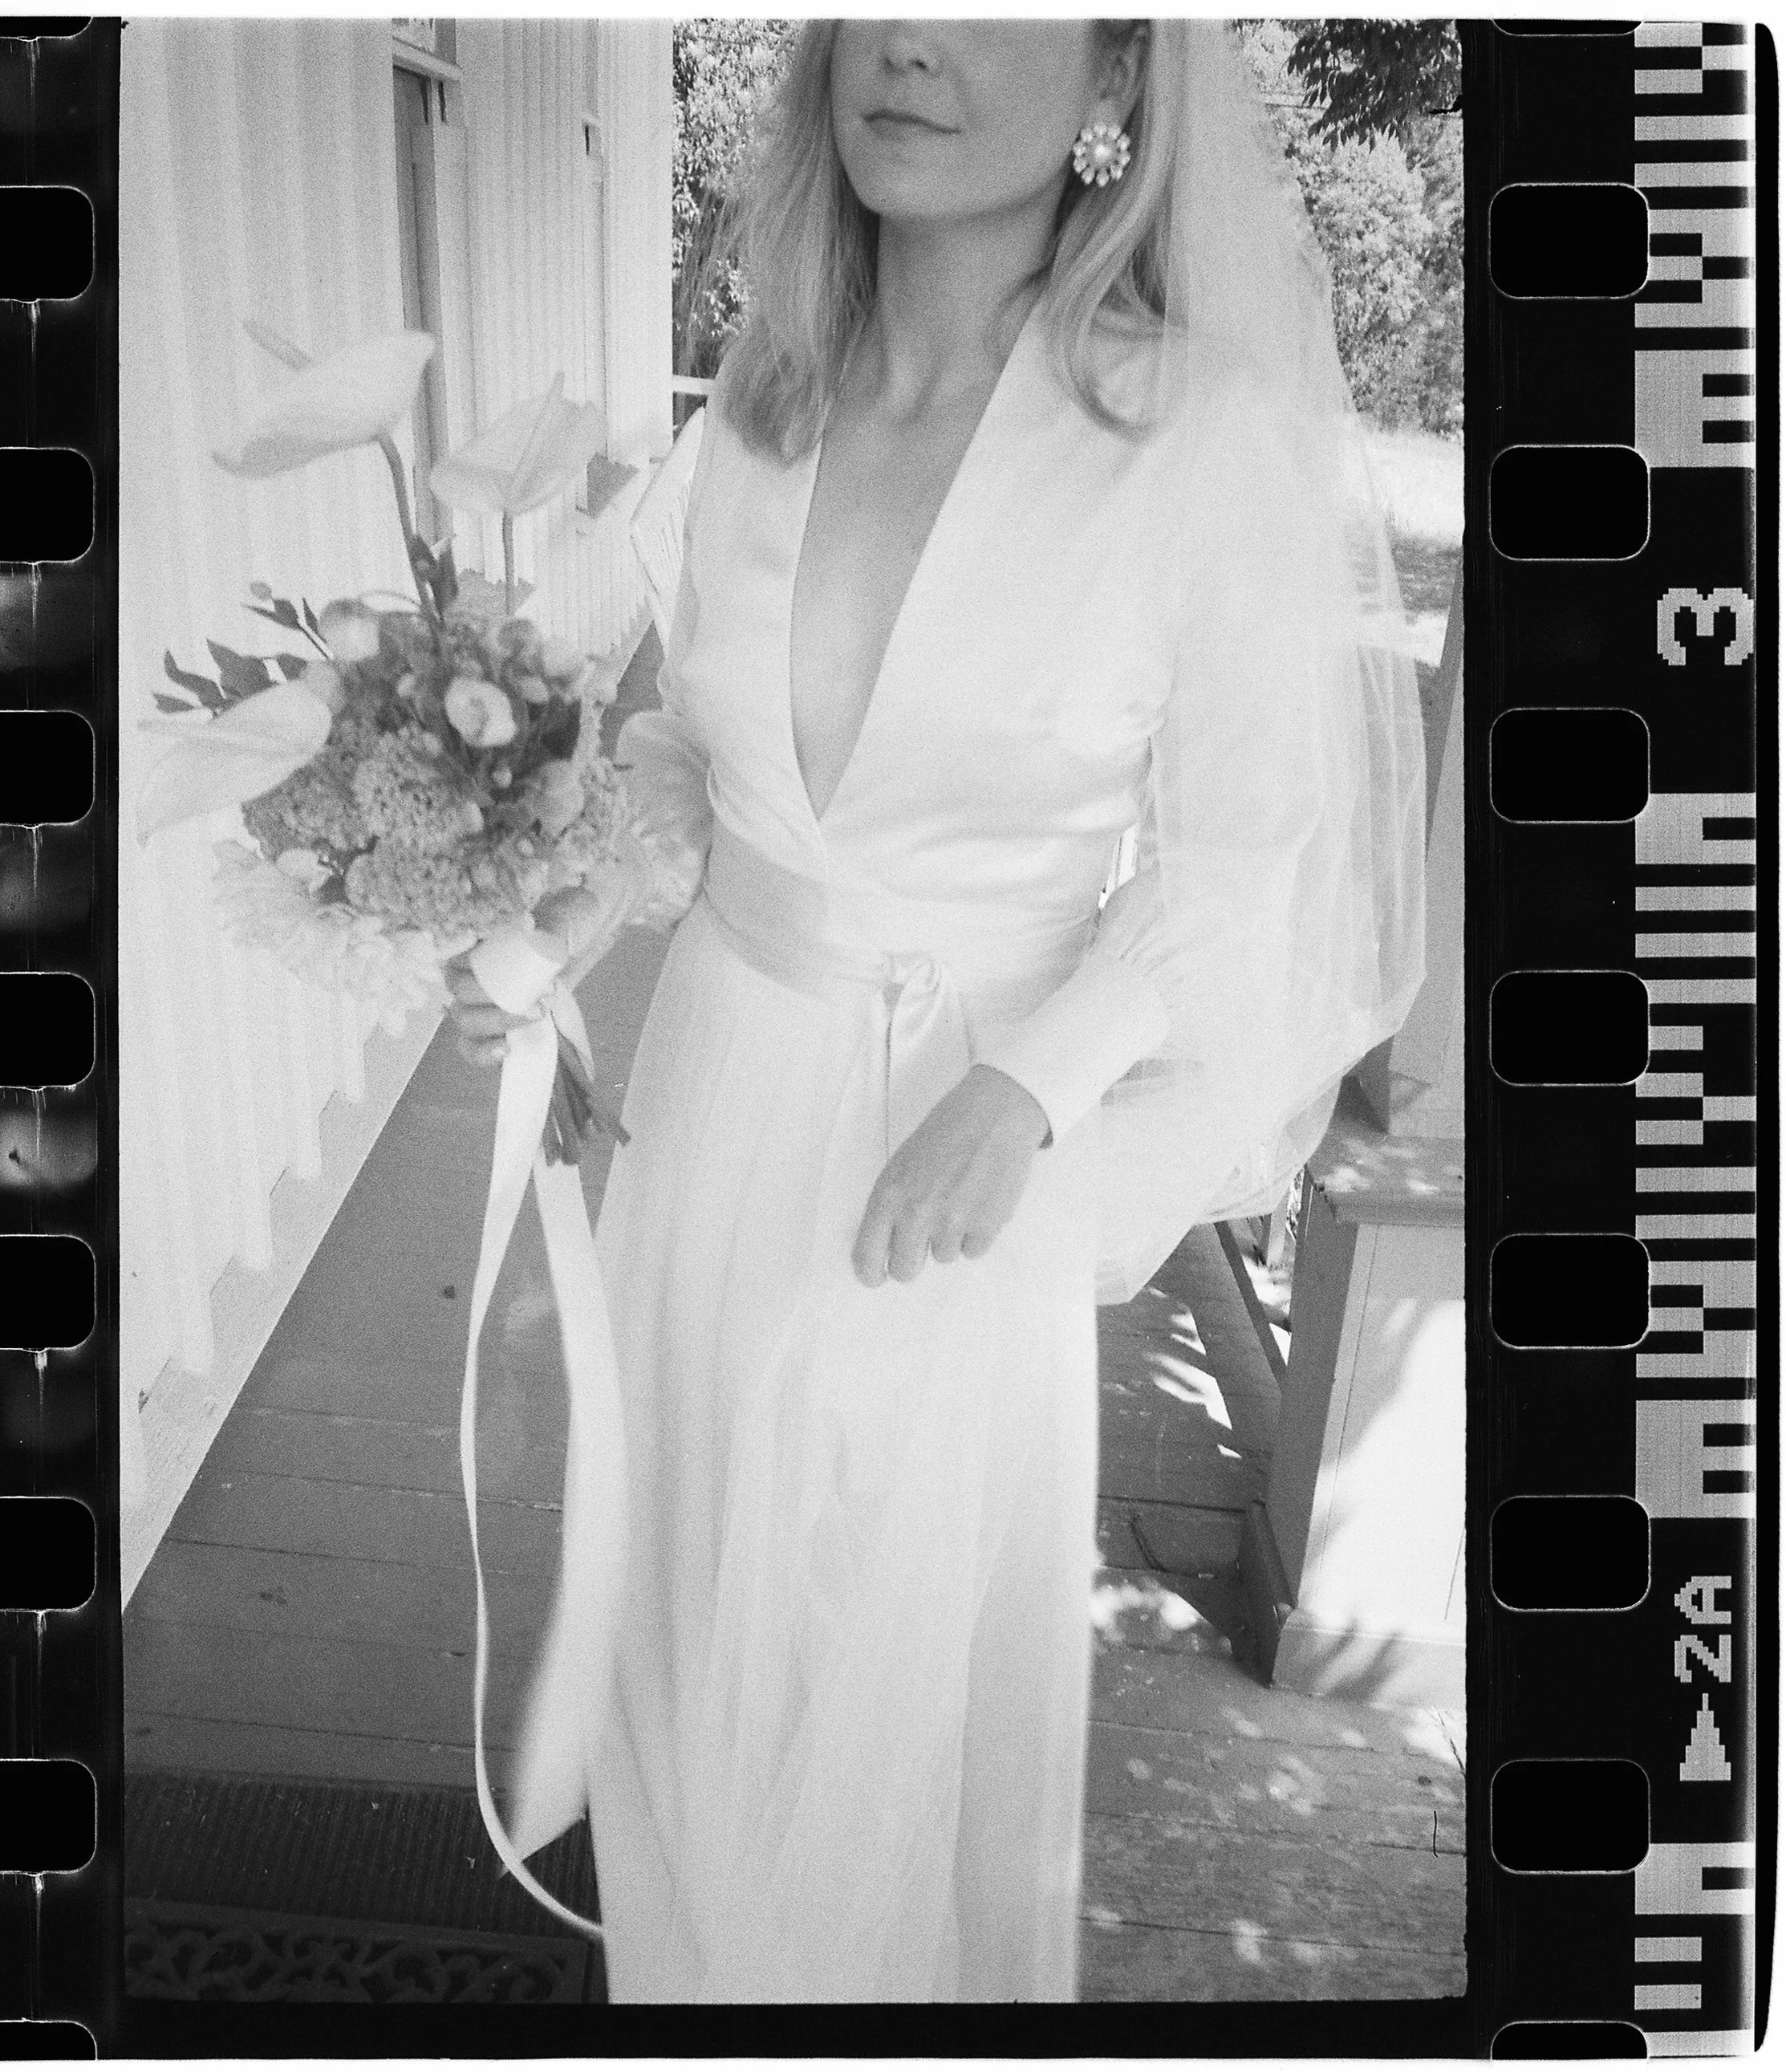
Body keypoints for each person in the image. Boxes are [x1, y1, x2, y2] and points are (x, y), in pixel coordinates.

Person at [449, 17, 1427, 2003]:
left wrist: (1036, 1087)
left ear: (1111, 91)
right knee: (695, 1603)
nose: (908, 43)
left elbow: (1253, 860)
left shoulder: (1186, 433)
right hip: (714, 1098)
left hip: (965, 1152)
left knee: (881, 1683)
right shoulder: (756, 409)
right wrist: (535, 932)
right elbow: (688, 773)